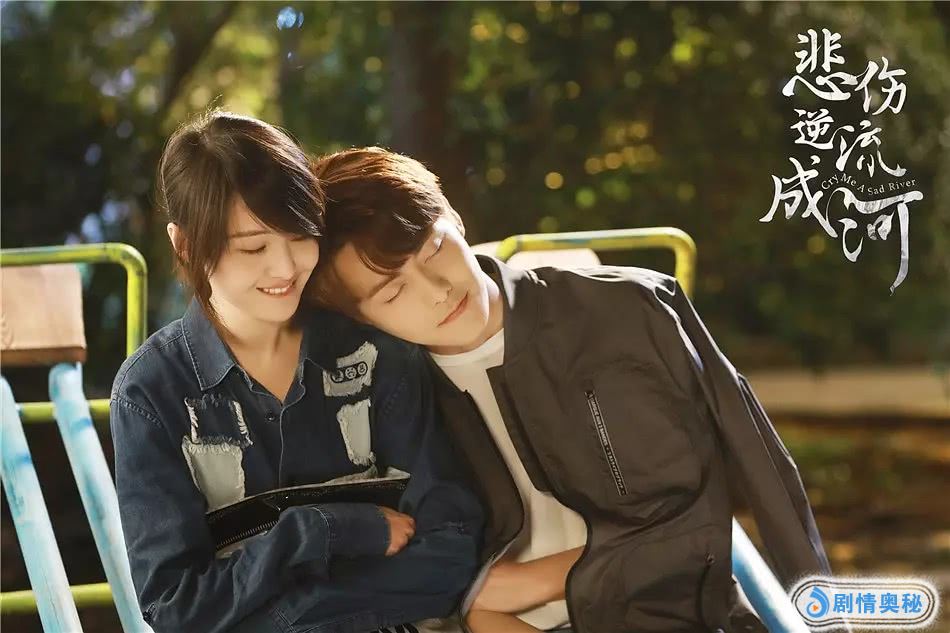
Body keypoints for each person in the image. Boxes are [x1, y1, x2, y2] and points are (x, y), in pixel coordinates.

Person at [305, 147, 832, 633]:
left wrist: (534, 582)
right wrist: (480, 602)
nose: (436, 291)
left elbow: (728, 502)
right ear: (362, 317)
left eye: (434, 249)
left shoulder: (626, 311)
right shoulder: (384, 398)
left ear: (455, 217)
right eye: (393, 292)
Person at [110, 113, 482, 633]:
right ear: (186, 246)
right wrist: (315, 531)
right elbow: (177, 608)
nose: (285, 268)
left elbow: (452, 547)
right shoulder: (152, 393)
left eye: (300, 234)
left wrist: (288, 612)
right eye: (254, 247)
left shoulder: (376, 351)